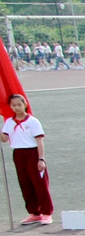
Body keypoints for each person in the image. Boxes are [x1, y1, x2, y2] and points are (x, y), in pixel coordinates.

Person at [3, 94, 52, 225]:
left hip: (32, 153)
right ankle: (34, 213)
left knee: (40, 184)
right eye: (14, 105)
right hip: (18, 154)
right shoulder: (9, 122)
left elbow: (40, 141)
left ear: (25, 104)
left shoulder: (33, 121)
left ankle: (46, 213)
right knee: (25, 184)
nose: (17, 108)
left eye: (19, 104)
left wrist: (41, 159)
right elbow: (4, 139)